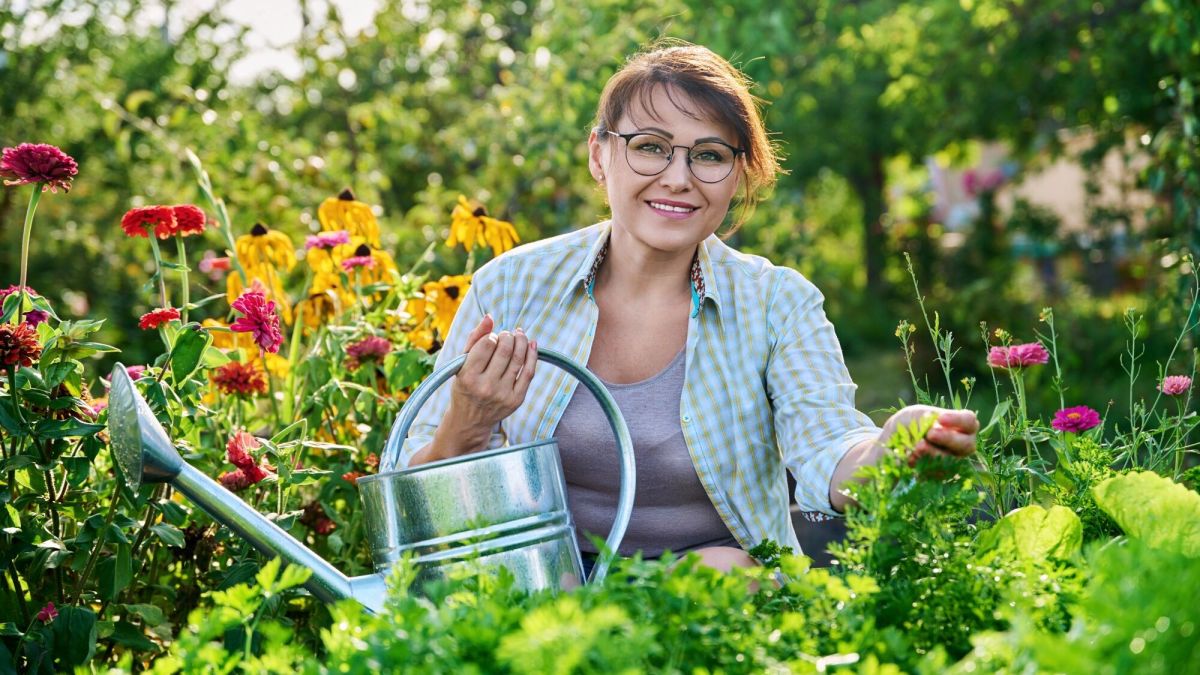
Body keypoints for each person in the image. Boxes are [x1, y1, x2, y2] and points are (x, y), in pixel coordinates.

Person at [401, 40, 979, 573]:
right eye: (649, 147)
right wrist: (467, 421)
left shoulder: (778, 302)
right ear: (600, 156)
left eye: (708, 155)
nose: (677, 179)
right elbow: (408, 495)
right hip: (543, 582)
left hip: (709, 583)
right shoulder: (513, 285)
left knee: (728, 573)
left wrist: (890, 450)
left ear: (738, 176)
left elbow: (827, 446)